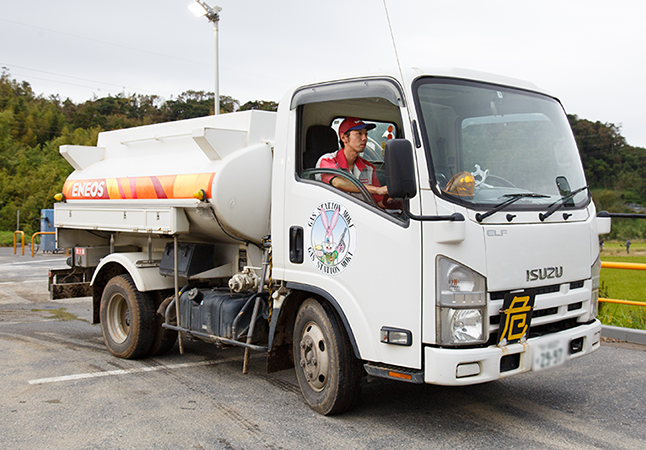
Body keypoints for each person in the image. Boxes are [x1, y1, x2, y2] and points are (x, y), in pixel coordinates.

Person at [316, 117, 389, 207]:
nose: (364, 138)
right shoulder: (327, 160)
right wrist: (376, 190)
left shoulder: (368, 167)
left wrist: (394, 201)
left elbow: (378, 202)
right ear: (344, 138)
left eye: (366, 134)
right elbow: (337, 182)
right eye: (359, 133)